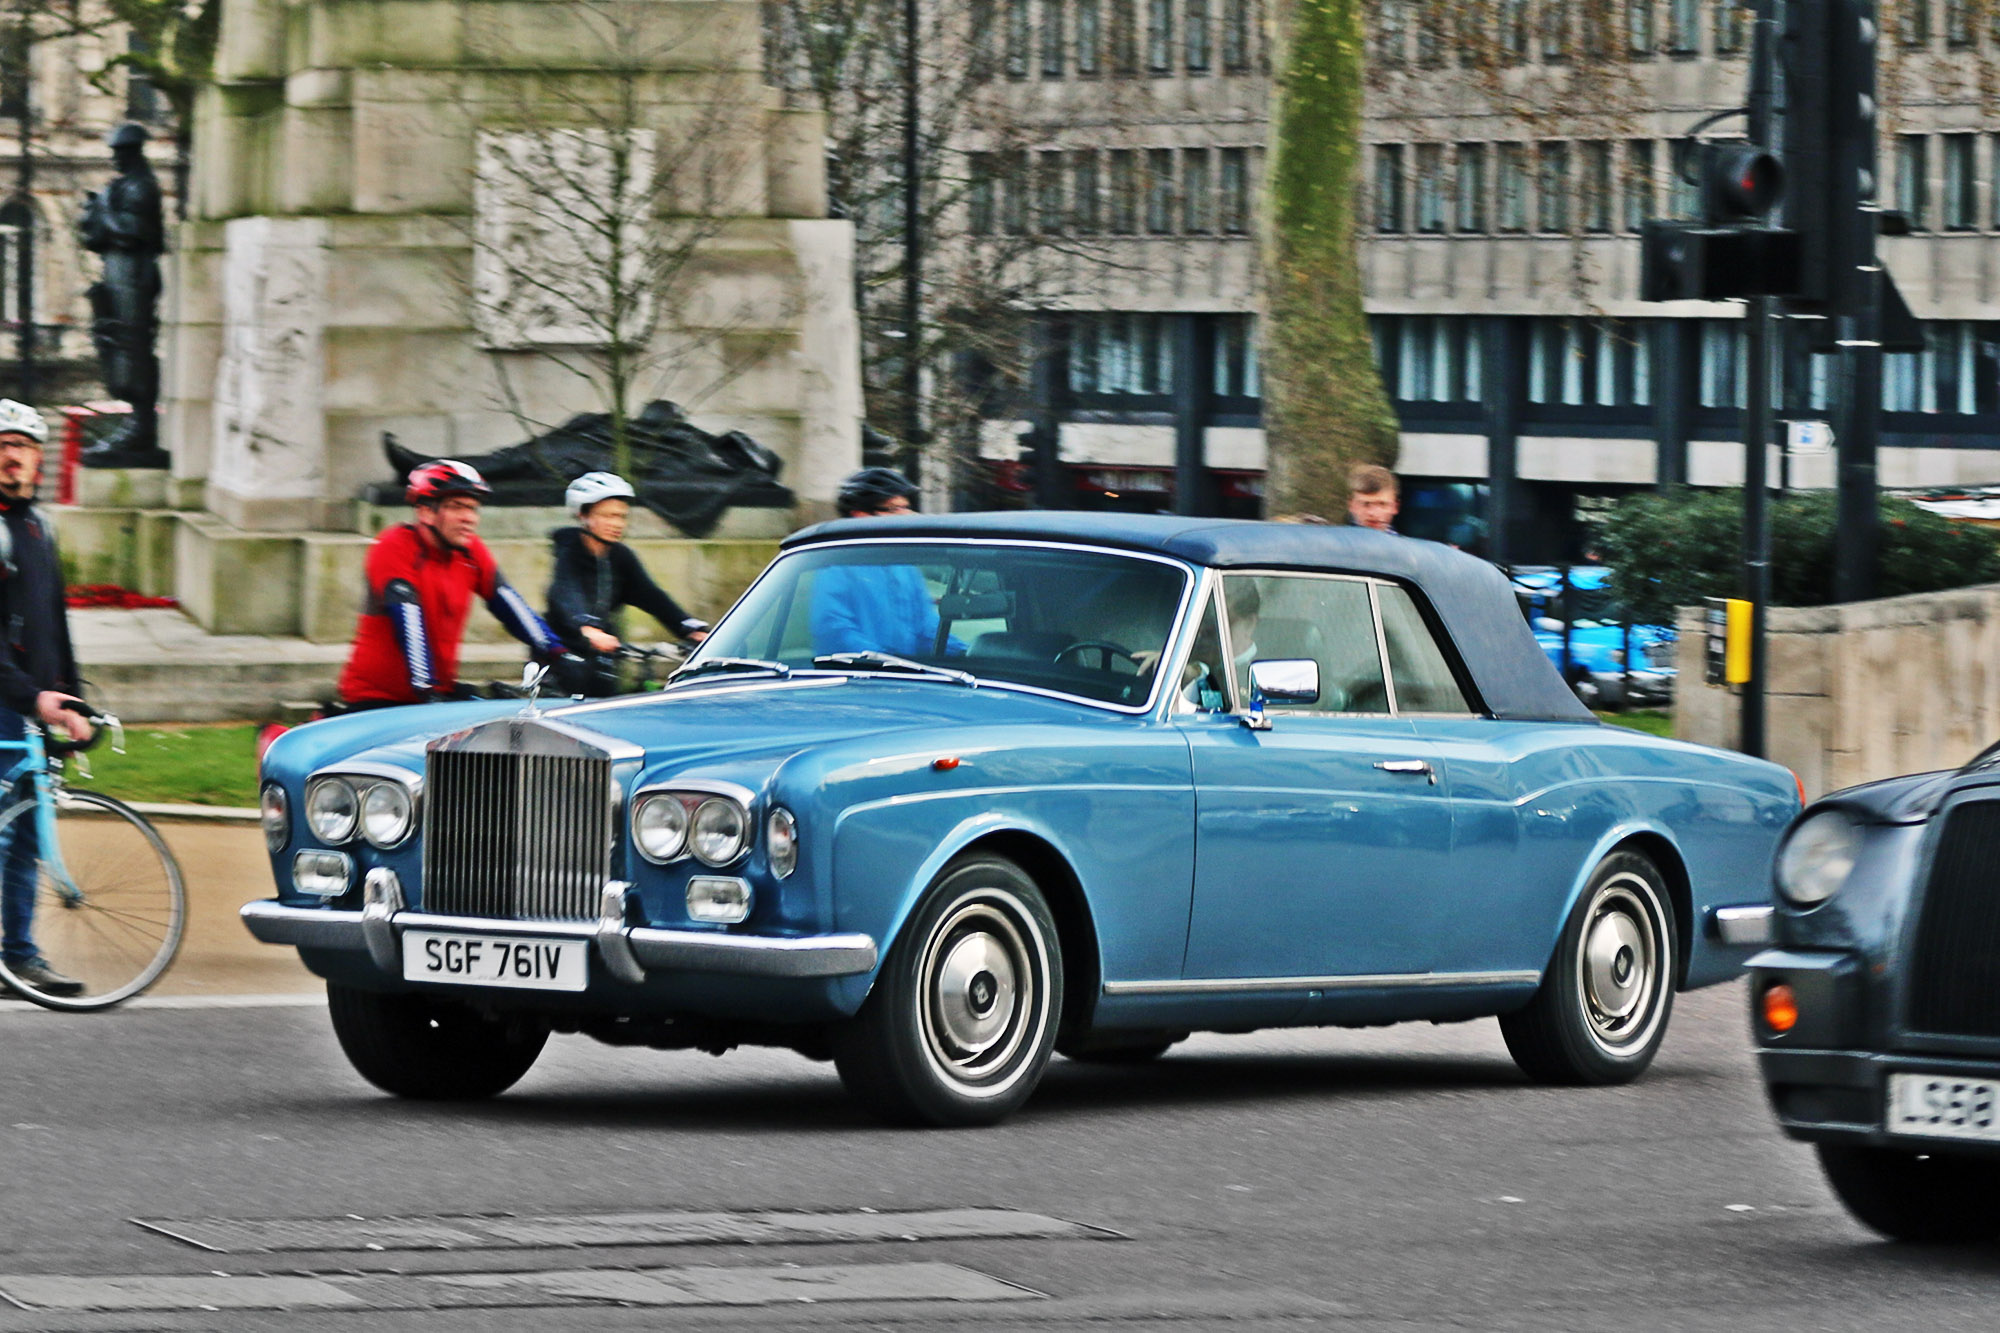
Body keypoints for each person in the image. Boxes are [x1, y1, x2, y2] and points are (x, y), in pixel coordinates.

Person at [335, 460, 562, 707]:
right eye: (457, 507)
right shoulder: (394, 546)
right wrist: (427, 688)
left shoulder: (471, 551)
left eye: (473, 508)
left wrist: (559, 652)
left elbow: (509, 604)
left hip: (434, 693)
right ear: (426, 512)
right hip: (377, 699)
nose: (469, 518)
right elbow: (408, 620)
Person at [0, 401, 94, 997]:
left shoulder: (38, 527)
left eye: (24, 445)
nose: (12, 456)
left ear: (40, 459)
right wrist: (34, 697)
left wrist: (74, 701)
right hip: (9, 704)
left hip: (29, 709)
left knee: (27, 835)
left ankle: (19, 960)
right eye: (3, 444)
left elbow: (54, 628)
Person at [545, 472, 709, 697]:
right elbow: (565, 591)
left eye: (622, 516)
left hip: (603, 657)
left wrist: (690, 628)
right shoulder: (569, 551)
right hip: (562, 655)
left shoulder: (620, 557)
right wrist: (586, 627)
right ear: (583, 515)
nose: (617, 524)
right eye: (608, 516)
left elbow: (652, 596)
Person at [810, 467, 959, 659]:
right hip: (857, 678)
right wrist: (888, 663)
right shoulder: (835, 565)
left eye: (906, 507)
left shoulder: (904, 567)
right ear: (861, 516)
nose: (906, 515)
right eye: (894, 509)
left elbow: (928, 630)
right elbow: (834, 630)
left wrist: (969, 653)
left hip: (907, 679)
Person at [1347, 464, 1401, 533]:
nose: (1373, 513)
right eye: (1366, 504)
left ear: (1395, 507)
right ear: (1352, 505)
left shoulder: (1404, 543)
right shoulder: (1334, 540)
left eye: (1382, 504)